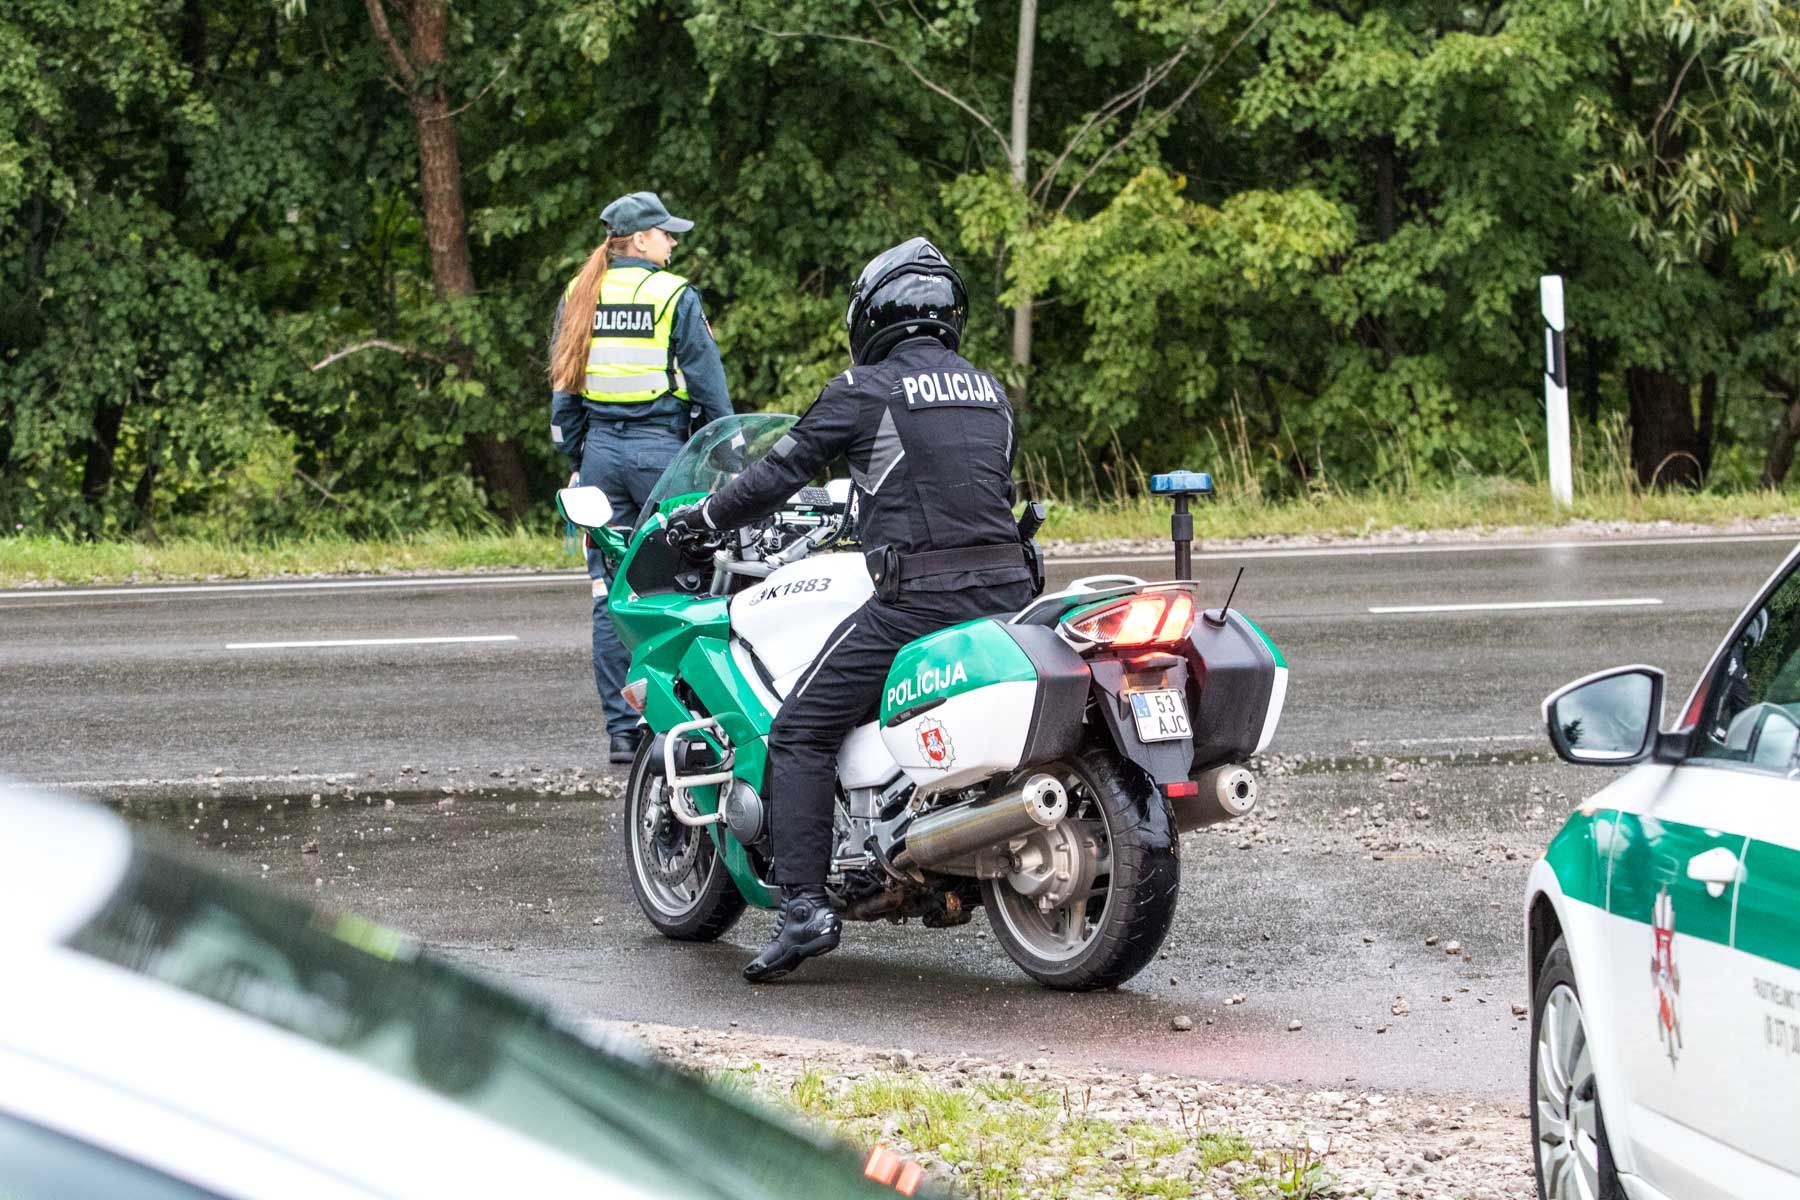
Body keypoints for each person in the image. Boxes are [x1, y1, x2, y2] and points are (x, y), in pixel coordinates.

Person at [667, 237, 1037, 982]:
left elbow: (780, 471)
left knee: (801, 731)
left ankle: (804, 906)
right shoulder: (990, 391)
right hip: (1014, 597)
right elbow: (953, 490)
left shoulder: (863, 389)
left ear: (871, 313)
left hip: (920, 602)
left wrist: (705, 518)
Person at [549, 191, 733, 764]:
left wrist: (575, 458)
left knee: (610, 592)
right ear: (642, 240)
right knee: (678, 582)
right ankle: (676, 718)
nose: (673, 242)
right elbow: (709, 390)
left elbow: (565, 388)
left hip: (600, 455)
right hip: (661, 454)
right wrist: (722, 454)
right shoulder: (674, 295)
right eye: (666, 233)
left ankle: (621, 733)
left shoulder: (581, 296)